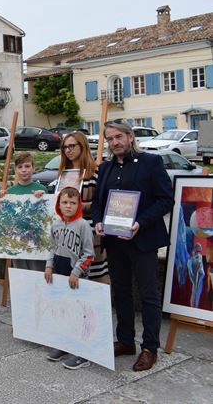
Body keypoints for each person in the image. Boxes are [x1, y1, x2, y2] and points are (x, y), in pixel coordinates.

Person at [92, 121, 174, 372]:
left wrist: (139, 223)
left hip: (143, 240)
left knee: (149, 295)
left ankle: (150, 348)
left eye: (119, 137)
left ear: (130, 137)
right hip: (115, 242)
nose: (114, 142)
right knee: (121, 292)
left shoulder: (151, 162)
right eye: (110, 139)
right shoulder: (105, 168)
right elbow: (98, 203)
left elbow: (165, 200)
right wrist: (97, 222)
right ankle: (126, 340)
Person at [44, 187, 95, 369]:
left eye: (73, 203)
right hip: (59, 272)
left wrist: (76, 272)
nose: (68, 206)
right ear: (59, 204)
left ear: (78, 205)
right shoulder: (56, 224)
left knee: (78, 314)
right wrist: (49, 265)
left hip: (76, 277)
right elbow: (52, 247)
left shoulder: (83, 225)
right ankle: (64, 345)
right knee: (63, 310)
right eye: (65, 202)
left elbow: (89, 254)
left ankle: (81, 353)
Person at [58, 131, 108, 284]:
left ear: (83, 146)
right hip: (67, 233)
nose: (68, 150)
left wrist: (79, 206)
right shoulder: (62, 174)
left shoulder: (96, 171)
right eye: (65, 147)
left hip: (91, 231)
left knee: (93, 276)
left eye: (72, 146)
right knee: (71, 274)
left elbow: (104, 202)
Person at [0, 151, 47, 271]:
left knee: (37, 272)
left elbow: (47, 215)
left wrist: (43, 198)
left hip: (37, 242)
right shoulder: (10, 192)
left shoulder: (41, 189)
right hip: (17, 241)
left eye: (27, 166)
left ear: (33, 168)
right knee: (20, 272)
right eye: (20, 167)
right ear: (16, 170)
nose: (24, 170)